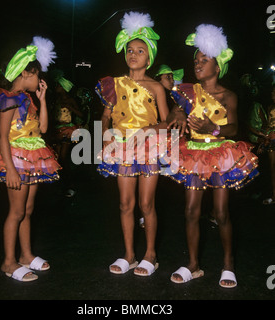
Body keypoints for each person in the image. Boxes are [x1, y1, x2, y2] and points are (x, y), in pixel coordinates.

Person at [167, 24, 259, 288]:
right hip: (194, 153)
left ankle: (228, 264)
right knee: (190, 211)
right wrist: (180, 114)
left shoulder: (228, 95)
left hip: (219, 152)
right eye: (196, 60)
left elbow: (233, 128)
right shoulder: (187, 92)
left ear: (217, 67)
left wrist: (213, 128)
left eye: (204, 60)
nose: (197, 64)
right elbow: (173, 115)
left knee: (220, 212)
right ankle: (193, 265)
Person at [95, 12, 185, 276]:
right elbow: (105, 116)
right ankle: (129, 254)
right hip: (121, 147)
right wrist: (105, 137)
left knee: (147, 205)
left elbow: (166, 119)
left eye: (140, 51)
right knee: (125, 203)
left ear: (149, 57)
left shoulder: (156, 87)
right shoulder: (113, 84)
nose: (133, 54)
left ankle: (150, 255)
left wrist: (157, 124)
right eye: (130, 50)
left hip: (147, 146)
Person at [0, 37, 61, 282]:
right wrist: (10, 170)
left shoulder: (28, 99)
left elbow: (43, 129)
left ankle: (26, 255)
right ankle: (8, 262)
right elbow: (2, 137)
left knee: (27, 209)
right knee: (15, 212)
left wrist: (43, 100)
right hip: (15, 159)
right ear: (27, 72)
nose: (41, 80)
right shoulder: (8, 99)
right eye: (38, 75)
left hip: (33, 157)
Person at [51, 70, 83, 197]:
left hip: (67, 130)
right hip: (57, 129)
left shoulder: (70, 100)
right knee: (57, 158)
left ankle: (69, 184)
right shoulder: (55, 100)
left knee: (63, 159)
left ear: (63, 88)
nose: (57, 87)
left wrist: (71, 108)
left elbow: (81, 114)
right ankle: (61, 183)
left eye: (59, 85)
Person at [261, 85, 275, 204]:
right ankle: (274, 196)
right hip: (271, 140)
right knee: (272, 169)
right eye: (272, 92)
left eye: (274, 92)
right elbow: (268, 125)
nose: (272, 94)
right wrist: (264, 139)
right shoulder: (270, 107)